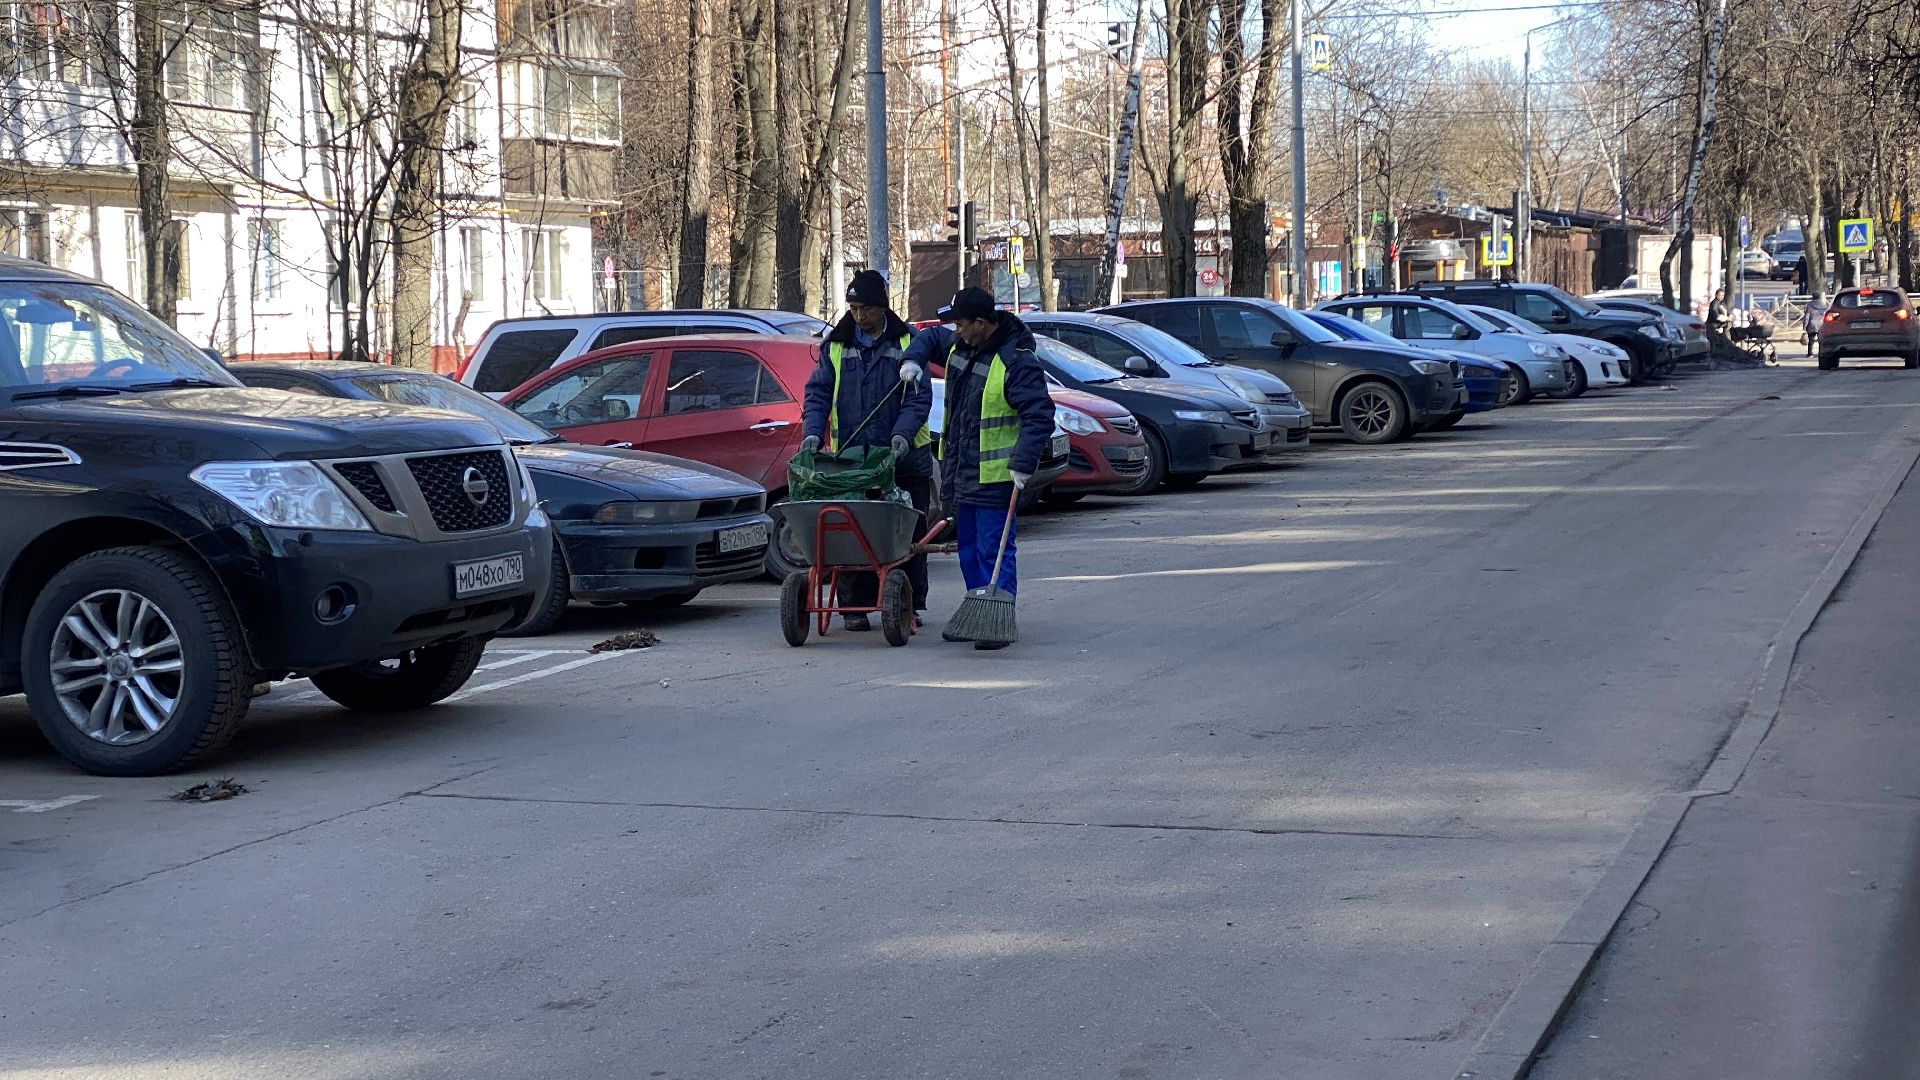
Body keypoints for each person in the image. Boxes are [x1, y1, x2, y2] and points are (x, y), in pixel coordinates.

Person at [921, 287, 1055, 650]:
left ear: (981, 323)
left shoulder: (1016, 360)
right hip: (962, 472)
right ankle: (980, 609)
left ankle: (998, 614)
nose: (956, 331)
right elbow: (928, 338)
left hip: (997, 477)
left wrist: (1023, 463)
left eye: (961, 325)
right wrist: (910, 359)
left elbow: (1039, 414)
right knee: (967, 547)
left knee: (993, 549)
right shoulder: (961, 349)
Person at [800, 269, 934, 632]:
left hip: (904, 459)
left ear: (882, 308)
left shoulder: (908, 343)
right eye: (854, 308)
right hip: (854, 461)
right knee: (851, 534)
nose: (859, 316)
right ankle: (854, 607)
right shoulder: (838, 345)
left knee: (906, 536)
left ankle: (909, 603)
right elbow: (818, 394)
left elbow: (918, 400)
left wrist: (901, 437)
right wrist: (813, 433)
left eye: (865, 309)